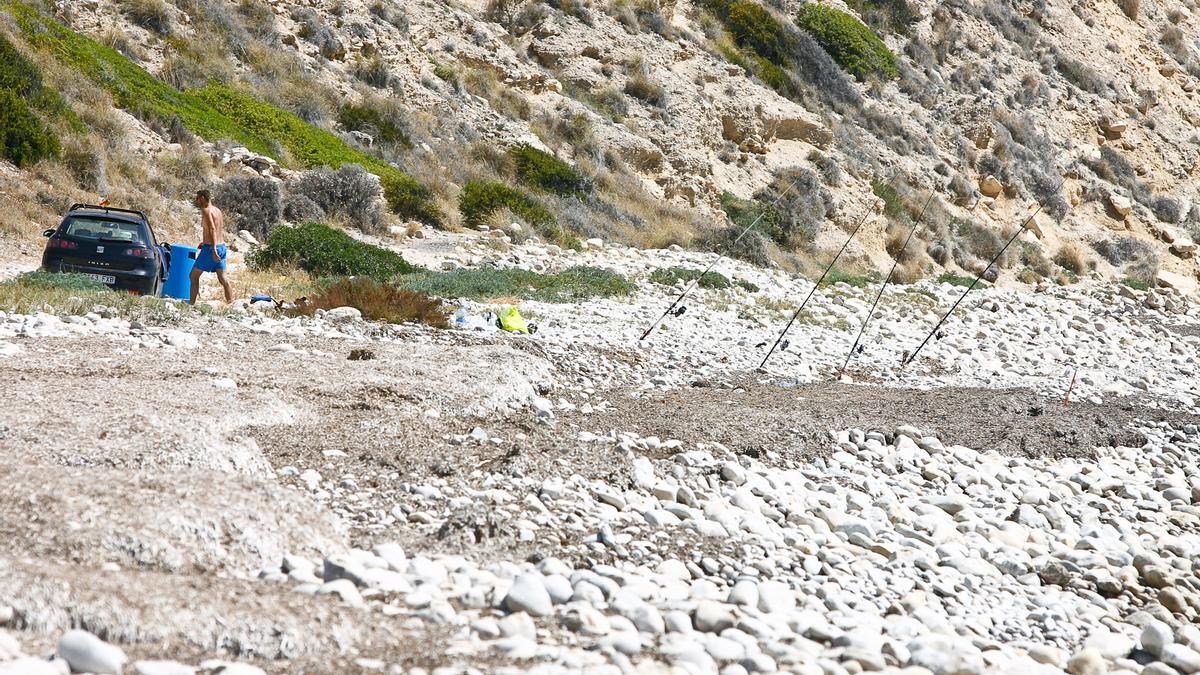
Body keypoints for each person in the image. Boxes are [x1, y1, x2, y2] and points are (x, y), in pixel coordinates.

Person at [190, 189, 233, 305]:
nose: (196, 201)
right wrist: (205, 242)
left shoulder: (206, 210)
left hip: (211, 249)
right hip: (222, 246)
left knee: (193, 276)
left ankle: (191, 304)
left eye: (197, 198)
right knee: (223, 279)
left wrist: (213, 249)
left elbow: (212, 229)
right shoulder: (217, 211)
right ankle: (230, 303)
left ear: (203, 198)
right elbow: (218, 230)